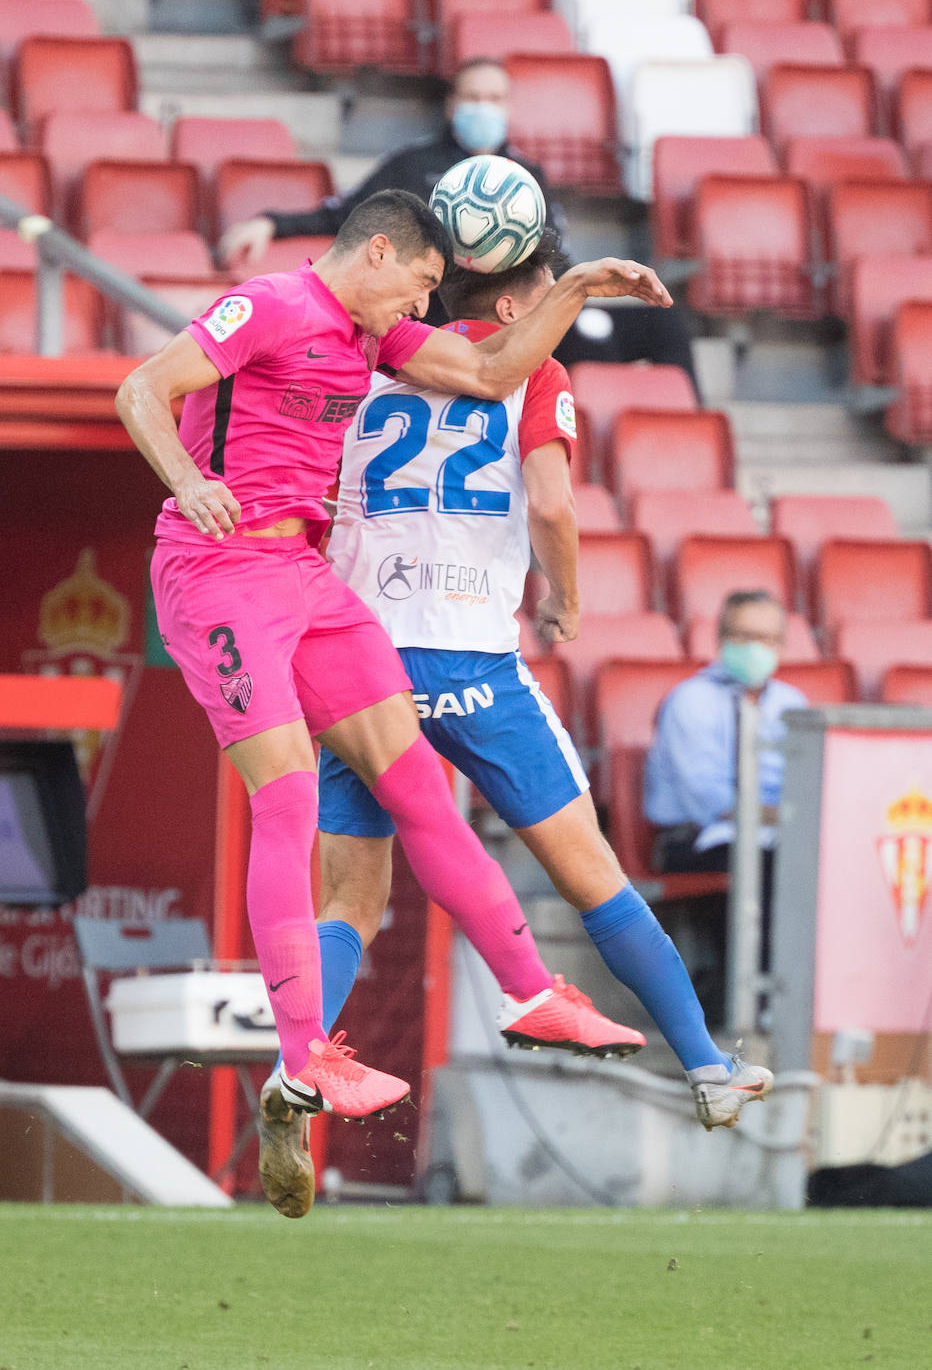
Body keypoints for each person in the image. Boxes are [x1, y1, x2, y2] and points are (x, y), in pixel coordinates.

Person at [115, 190, 671, 1132]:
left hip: (301, 570)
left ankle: (529, 992)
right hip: (216, 572)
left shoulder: (372, 339)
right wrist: (190, 480)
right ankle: (302, 1064)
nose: (422, 306)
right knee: (287, 799)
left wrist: (573, 287)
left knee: (414, 779)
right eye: (418, 284)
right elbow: (142, 390)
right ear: (378, 254)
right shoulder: (271, 303)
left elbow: (496, 371)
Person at [254, 234, 771, 1217]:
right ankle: (706, 1066)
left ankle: (299, 1064)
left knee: (352, 904)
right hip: (471, 662)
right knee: (590, 878)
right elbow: (550, 503)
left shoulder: (376, 354)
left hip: (354, 659)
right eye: (547, 297)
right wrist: (563, 600)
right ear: (510, 309)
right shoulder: (528, 371)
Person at [217, 57, 699, 391]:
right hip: (442, 310)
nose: (482, 107)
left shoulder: (527, 177)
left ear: (508, 107)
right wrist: (272, 223)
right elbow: (351, 215)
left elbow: (557, 252)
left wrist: (577, 293)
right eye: (473, 97)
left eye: (493, 98)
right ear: (452, 104)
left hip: (523, 311)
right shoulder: (412, 165)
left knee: (662, 325)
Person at [644, 590, 809, 1005]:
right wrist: (789, 816)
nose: (756, 648)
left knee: (812, 859)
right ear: (721, 639)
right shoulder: (690, 700)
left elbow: (808, 783)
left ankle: (810, 1002)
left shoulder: (793, 704)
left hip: (774, 832)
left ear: (782, 646)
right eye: (744, 635)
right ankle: (761, 1002)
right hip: (696, 838)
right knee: (769, 862)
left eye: (768, 638)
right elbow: (709, 800)